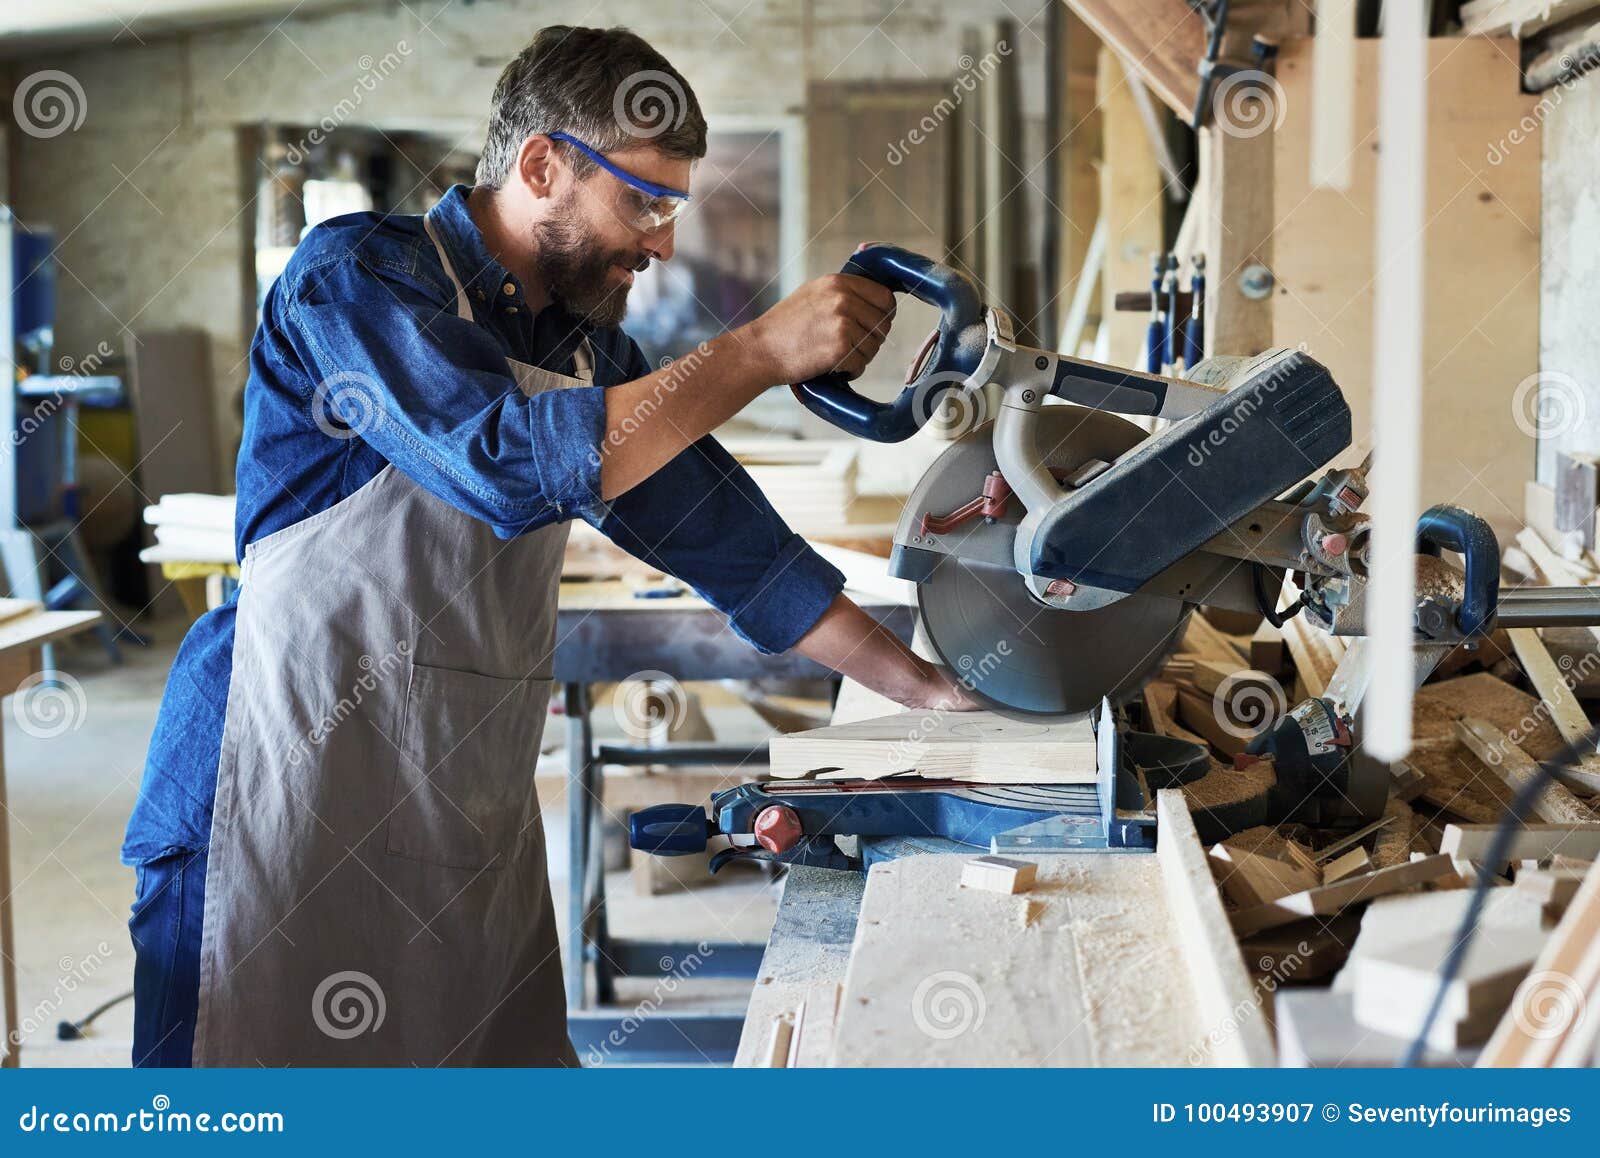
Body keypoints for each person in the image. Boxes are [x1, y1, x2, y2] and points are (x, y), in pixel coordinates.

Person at [122, 24, 974, 1068]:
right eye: (645, 202)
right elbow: (501, 464)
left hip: (453, 801)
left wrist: (926, 689)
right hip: (275, 779)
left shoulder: (583, 352)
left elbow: (733, 547)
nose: (660, 241)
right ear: (542, 167)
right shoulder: (355, 280)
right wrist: (755, 351)